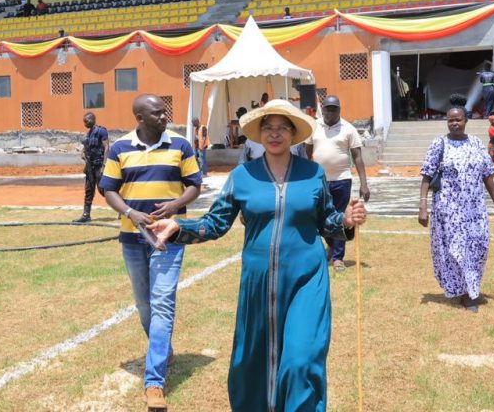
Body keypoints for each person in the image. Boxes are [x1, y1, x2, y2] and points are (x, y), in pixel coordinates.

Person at [147, 99, 367, 412]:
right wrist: (177, 227)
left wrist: (345, 221)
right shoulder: (243, 176)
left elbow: (326, 221)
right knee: (250, 363)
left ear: (293, 134)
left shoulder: (312, 173)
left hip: (307, 280)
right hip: (258, 283)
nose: (274, 134)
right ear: (259, 134)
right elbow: (215, 223)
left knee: (301, 361)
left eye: (282, 128)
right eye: (268, 128)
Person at [99, 94, 202, 411]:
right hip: (132, 238)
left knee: (162, 301)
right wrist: (131, 213)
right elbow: (109, 189)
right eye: (157, 113)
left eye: (164, 111)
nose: (164, 116)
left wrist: (175, 205)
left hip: (169, 238)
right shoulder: (120, 149)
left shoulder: (181, 145)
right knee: (144, 304)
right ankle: (164, 349)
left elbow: (194, 184)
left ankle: (154, 381)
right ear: (139, 117)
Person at [418, 96, 494, 312]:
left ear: (466, 120)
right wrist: (422, 205)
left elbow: (487, 175)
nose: (454, 123)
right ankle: (468, 293)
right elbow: (427, 175)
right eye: (450, 120)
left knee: (478, 247)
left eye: (458, 120)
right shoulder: (440, 144)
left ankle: (469, 286)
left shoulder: (475, 143)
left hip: (474, 209)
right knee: (455, 249)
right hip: (448, 210)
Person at [305, 95, 370, 272]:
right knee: (319, 217)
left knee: (341, 218)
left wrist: (364, 183)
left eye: (334, 109)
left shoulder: (348, 129)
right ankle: (331, 245)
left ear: (339, 110)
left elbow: (357, 157)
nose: (331, 112)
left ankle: (338, 258)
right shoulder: (314, 127)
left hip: (341, 180)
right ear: (322, 109)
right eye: (328, 108)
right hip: (318, 181)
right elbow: (307, 154)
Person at [74, 112, 109, 224]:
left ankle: (122, 208)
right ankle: (86, 215)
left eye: (87, 120)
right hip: (89, 167)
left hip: (99, 166)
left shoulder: (101, 131)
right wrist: (83, 153)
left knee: (103, 190)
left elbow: (107, 147)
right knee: (89, 191)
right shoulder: (88, 134)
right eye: (84, 121)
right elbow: (86, 147)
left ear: (93, 119)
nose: (85, 123)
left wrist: (104, 165)